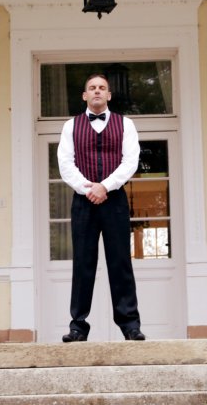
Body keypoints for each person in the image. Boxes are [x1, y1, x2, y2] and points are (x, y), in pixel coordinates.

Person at [57, 73, 145, 342]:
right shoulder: (70, 126)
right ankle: (78, 326)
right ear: (85, 96)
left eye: (102, 88)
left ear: (109, 95)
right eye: (92, 88)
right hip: (83, 202)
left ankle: (130, 325)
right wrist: (89, 188)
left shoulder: (125, 124)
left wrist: (105, 186)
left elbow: (130, 161)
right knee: (83, 263)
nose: (97, 91)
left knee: (120, 262)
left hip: (115, 200)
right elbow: (65, 164)